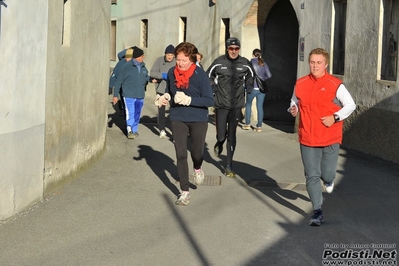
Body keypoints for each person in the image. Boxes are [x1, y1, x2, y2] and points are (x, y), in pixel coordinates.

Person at [289, 48, 356, 226]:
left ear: (325, 64)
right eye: (312, 62)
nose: (315, 66)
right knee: (312, 175)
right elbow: (294, 101)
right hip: (308, 137)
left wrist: (334, 117)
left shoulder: (335, 84)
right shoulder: (301, 83)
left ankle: (329, 180)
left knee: (327, 174)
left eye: (319, 62)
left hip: (330, 136)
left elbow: (350, 105)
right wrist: (292, 108)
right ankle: (317, 211)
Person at [156, 42, 214, 206]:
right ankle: (185, 191)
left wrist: (189, 100)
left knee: (197, 153)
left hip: (198, 118)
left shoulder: (200, 74)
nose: (179, 63)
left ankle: (197, 167)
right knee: (181, 154)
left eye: (183, 60)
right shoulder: (172, 73)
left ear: (192, 59)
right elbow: (169, 90)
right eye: (178, 59)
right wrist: (164, 97)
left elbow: (210, 100)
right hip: (178, 117)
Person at [206, 37, 254, 177]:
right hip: (221, 104)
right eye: (231, 48)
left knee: (232, 135)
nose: (234, 51)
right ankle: (220, 142)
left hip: (236, 105)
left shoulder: (245, 63)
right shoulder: (219, 62)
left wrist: (249, 86)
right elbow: (207, 76)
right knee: (222, 135)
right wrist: (213, 88)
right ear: (227, 48)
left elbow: (251, 76)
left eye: (236, 48)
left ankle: (228, 165)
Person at [113, 46, 152, 139]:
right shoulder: (126, 67)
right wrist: (115, 95)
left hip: (140, 95)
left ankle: (135, 130)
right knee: (130, 113)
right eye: (142, 56)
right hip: (129, 95)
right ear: (138, 56)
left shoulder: (143, 66)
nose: (143, 57)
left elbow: (145, 76)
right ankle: (129, 130)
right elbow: (118, 81)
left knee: (137, 113)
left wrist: (152, 79)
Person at [242, 48, 272, 132]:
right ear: (260, 54)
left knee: (248, 104)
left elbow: (245, 76)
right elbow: (269, 75)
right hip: (261, 89)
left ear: (253, 54)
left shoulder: (250, 63)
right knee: (260, 106)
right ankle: (259, 126)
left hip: (252, 87)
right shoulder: (263, 63)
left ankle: (247, 124)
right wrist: (262, 79)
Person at [150, 44, 176, 138]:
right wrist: (162, 75)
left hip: (173, 89)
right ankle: (162, 130)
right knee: (161, 111)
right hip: (161, 89)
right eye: (168, 54)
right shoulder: (159, 60)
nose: (170, 57)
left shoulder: (176, 62)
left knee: (174, 111)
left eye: (172, 55)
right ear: (165, 54)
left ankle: (175, 131)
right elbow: (152, 72)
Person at [109, 47, 133, 115]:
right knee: (123, 100)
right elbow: (114, 74)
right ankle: (123, 110)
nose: (128, 59)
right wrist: (110, 86)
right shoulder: (121, 63)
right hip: (122, 86)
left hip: (130, 87)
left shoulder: (135, 63)